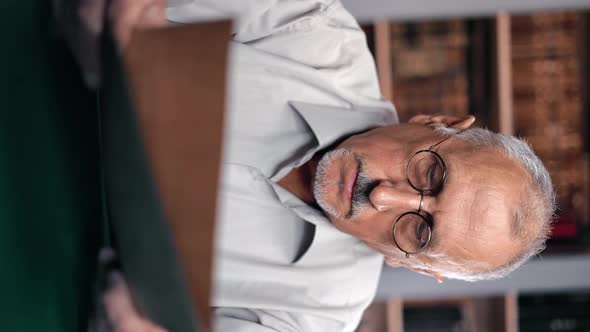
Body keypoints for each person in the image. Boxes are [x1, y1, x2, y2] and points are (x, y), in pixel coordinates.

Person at [104, 0, 556, 331]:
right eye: (430, 174)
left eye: (419, 231)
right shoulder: (313, 30)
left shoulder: (317, 315)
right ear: (436, 123)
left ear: (412, 265)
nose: (383, 195)